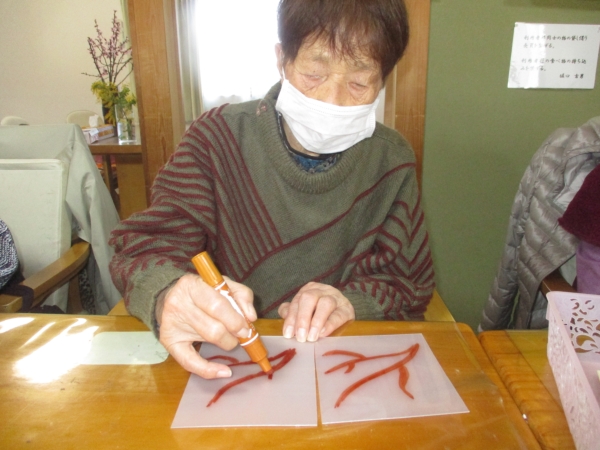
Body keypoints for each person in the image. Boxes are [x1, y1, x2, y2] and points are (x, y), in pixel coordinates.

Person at [109, 0, 434, 379]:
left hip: (343, 362)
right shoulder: (216, 139)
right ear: (282, 59)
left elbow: (406, 282)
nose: (332, 100)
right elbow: (144, 247)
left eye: (359, 82)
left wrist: (351, 302)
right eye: (314, 73)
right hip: (228, 358)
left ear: (383, 80)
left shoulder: (390, 159)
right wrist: (167, 291)